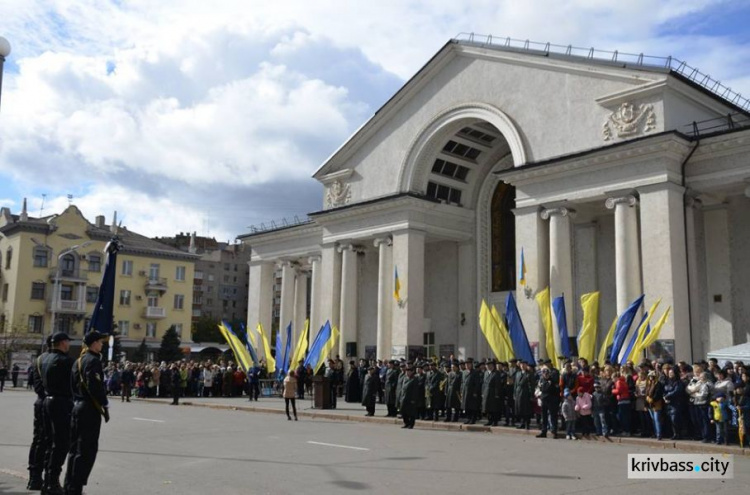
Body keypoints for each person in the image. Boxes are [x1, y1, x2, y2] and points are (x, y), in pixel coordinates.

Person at [64, 331, 110, 495]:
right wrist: (104, 402)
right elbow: (94, 384)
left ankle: (70, 485)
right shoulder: (92, 360)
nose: (102, 344)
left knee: (75, 449)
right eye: (100, 341)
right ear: (94, 343)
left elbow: (72, 384)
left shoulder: (79, 360)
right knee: (86, 450)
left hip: (77, 405)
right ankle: (75, 488)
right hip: (89, 409)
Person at [41, 332, 74, 495]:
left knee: (50, 443)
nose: (68, 345)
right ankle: (52, 482)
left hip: (47, 401)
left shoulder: (45, 358)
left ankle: (47, 481)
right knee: (61, 444)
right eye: (67, 342)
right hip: (61, 403)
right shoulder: (66, 361)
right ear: (62, 343)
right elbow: (74, 382)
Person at [26, 336, 52, 491]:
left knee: (38, 441)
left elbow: (34, 382)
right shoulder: (56, 360)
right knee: (50, 441)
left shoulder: (38, 360)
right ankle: (45, 479)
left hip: (40, 401)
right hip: (50, 403)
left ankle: (34, 478)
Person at [460, 359, 482, 425]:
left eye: (468, 364)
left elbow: (477, 384)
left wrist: (475, 392)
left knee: (473, 407)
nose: (467, 366)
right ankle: (468, 418)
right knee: (467, 406)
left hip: (472, 392)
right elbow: (462, 382)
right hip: (465, 392)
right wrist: (461, 390)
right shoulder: (464, 372)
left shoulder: (475, 372)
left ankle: (473, 419)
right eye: (466, 364)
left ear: (471, 365)